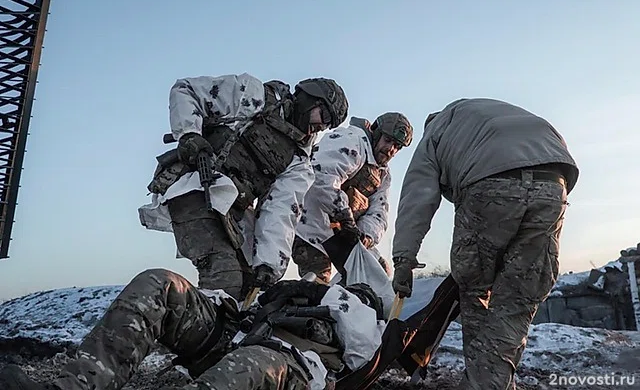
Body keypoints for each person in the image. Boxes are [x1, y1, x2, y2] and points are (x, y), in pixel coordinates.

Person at [390, 98, 579, 389]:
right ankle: (495, 382)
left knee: (475, 289)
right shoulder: (488, 114)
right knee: (517, 300)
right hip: (554, 182)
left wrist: (404, 259)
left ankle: (482, 384)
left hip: (489, 184)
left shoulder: (436, 131)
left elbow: (418, 196)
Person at [138, 73, 349, 299]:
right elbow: (187, 90)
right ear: (310, 99)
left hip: (231, 215)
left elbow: (280, 211)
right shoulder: (254, 97)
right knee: (224, 277)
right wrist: (189, 134)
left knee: (246, 287)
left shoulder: (298, 162)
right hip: (196, 187)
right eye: (324, 115)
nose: (320, 126)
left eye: (328, 125)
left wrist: (268, 265)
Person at [0, 268, 386, 390]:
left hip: (289, 366)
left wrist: (327, 293)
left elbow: (360, 352)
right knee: (162, 283)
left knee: (249, 365)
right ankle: (73, 386)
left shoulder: (365, 321)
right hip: (232, 335)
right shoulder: (299, 295)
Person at [292, 112, 413, 284]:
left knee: (378, 272)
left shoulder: (383, 175)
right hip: (310, 226)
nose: (391, 149)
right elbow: (322, 177)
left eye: (397, 147)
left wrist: (365, 236)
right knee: (315, 285)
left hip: (344, 234)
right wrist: (344, 216)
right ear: (376, 132)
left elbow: (379, 212)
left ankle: (350, 304)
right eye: (388, 141)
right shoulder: (350, 140)